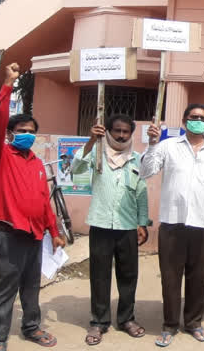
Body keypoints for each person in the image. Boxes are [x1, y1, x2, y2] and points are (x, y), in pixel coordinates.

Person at [0, 63, 65, 351]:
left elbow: (44, 202)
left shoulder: (36, 164)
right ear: (10, 134)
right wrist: (7, 85)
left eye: (31, 131)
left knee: (31, 287)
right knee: (5, 289)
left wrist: (53, 232)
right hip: (7, 234)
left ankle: (31, 327)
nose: (27, 134)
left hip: (34, 236)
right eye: (21, 130)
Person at [142, 104, 204, 347]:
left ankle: (194, 323)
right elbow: (146, 171)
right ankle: (169, 325)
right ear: (184, 120)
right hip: (172, 221)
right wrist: (153, 143)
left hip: (203, 222)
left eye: (203, 118)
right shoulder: (168, 146)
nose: (198, 121)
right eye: (193, 117)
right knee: (170, 277)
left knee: (199, 277)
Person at [73, 114, 148, 345]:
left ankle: (126, 319)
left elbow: (141, 192)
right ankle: (99, 322)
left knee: (128, 276)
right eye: (117, 130)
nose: (121, 135)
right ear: (108, 131)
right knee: (99, 276)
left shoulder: (136, 159)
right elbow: (75, 169)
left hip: (127, 227)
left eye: (126, 131)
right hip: (101, 225)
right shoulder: (97, 155)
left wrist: (142, 222)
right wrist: (90, 141)